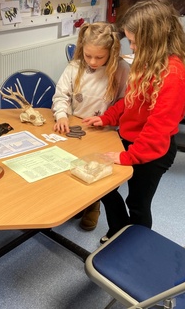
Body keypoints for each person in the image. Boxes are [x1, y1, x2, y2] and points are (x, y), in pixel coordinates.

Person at [82, 0, 185, 243]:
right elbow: (131, 101)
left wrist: (128, 157)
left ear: (154, 39)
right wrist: (107, 118)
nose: (132, 47)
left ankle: (133, 245)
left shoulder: (174, 74)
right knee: (106, 186)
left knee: (137, 203)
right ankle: (118, 231)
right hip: (131, 141)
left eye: (135, 42)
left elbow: (157, 131)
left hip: (152, 153)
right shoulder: (150, 61)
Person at [52, 22, 130, 231]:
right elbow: (61, 95)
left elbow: (125, 102)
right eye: (88, 56)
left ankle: (93, 205)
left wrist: (108, 119)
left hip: (104, 130)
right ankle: (78, 202)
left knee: (94, 169)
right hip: (75, 126)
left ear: (111, 53)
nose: (93, 62)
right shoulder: (75, 67)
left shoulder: (121, 69)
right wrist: (61, 115)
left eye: (99, 57)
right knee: (72, 165)